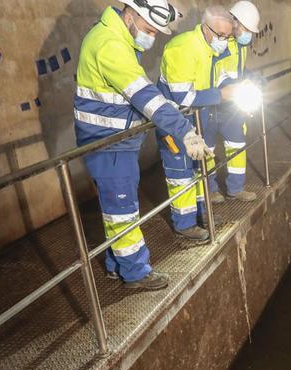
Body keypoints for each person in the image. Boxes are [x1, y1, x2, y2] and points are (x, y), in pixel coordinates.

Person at [74, 0, 211, 290]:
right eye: (149, 28)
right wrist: (185, 131)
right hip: (108, 143)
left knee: (116, 208)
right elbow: (144, 96)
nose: (151, 36)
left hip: (114, 141)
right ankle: (135, 273)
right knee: (122, 210)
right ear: (130, 15)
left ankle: (115, 266)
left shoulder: (116, 38)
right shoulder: (110, 45)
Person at [156, 2, 261, 241]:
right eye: (222, 35)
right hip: (175, 119)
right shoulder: (182, 48)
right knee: (181, 175)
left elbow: (219, 78)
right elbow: (184, 97)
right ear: (207, 28)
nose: (226, 39)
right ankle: (185, 225)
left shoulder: (208, 47)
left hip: (196, 113)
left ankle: (203, 215)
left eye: (227, 35)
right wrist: (222, 95)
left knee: (198, 168)